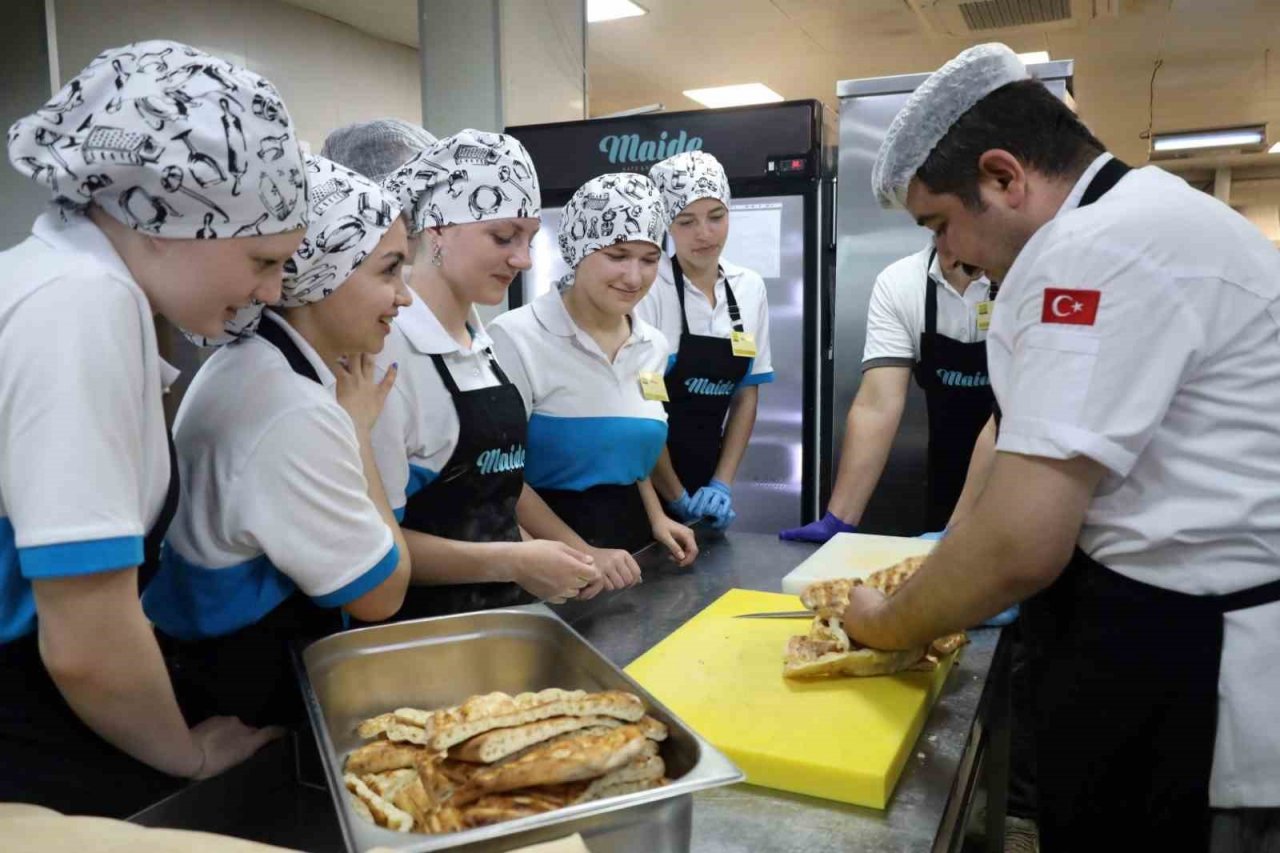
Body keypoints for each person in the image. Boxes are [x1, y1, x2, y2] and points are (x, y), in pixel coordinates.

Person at [843, 42, 1280, 852]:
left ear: (1005, 176)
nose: (952, 257)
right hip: (1160, 635)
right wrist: (953, 548)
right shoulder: (1145, 218)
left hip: (1193, 674)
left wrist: (887, 623)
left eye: (942, 223)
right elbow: (1015, 429)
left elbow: (1019, 546)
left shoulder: (1092, 253)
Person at [0, 40, 308, 816]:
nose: (271, 292)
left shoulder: (58, 283)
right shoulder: (81, 307)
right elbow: (85, 639)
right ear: (170, 219)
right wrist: (189, 754)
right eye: (263, 259)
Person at [143, 156, 412, 726]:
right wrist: (357, 435)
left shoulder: (245, 363)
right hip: (249, 696)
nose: (404, 297)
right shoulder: (294, 409)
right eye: (389, 271)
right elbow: (381, 595)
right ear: (322, 272)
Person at [372, 130, 635, 617]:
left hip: (500, 616)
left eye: (531, 239)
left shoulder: (481, 339)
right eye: (503, 237)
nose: (524, 259)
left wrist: (579, 555)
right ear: (437, 231)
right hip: (421, 629)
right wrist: (512, 561)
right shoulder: (390, 352)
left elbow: (499, 483)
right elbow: (375, 541)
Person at [489, 173, 699, 566]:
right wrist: (583, 554)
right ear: (577, 250)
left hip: (631, 545)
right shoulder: (516, 337)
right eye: (617, 256)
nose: (634, 277)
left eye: (649, 259)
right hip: (545, 550)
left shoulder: (653, 345)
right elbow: (500, 476)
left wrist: (657, 518)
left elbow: (630, 452)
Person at [780, 242, 992, 542]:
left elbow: (1010, 416)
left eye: (953, 222)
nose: (947, 241)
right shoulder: (902, 283)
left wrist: (962, 525)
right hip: (946, 473)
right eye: (936, 226)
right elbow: (877, 406)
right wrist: (839, 519)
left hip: (1025, 480)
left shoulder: (1028, 278)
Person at [637, 151, 773, 531]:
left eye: (716, 217)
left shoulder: (749, 288)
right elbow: (641, 404)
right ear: (667, 224)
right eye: (686, 221)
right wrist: (676, 496)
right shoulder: (648, 288)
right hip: (644, 480)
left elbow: (746, 393)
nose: (705, 234)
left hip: (707, 478)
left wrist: (721, 483)